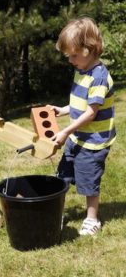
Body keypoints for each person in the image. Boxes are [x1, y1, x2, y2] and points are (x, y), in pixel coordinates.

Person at [47, 17, 116, 236]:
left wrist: (66, 131)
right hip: (78, 138)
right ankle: (57, 213)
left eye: (73, 55)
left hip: (93, 142)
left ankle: (92, 219)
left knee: (88, 180)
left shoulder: (98, 78)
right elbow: (80, 104)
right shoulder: (82, 70)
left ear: (88, 49)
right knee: (63, 176)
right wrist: (63, 110)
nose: (70, 60)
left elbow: (91, 112)